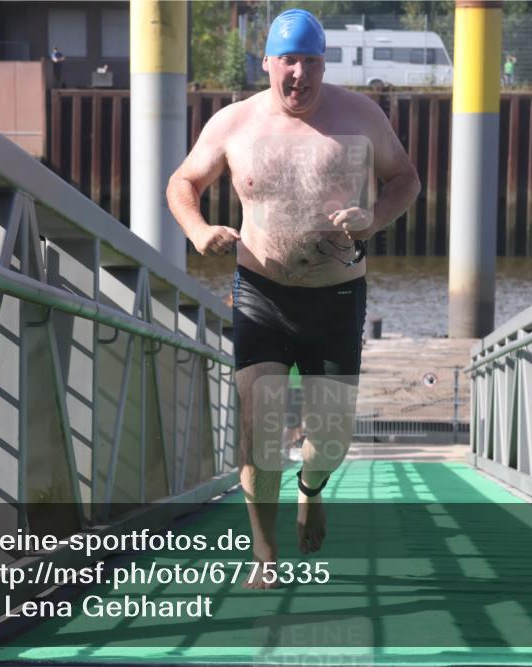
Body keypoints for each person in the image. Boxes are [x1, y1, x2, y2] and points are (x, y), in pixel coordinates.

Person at [166, 8, 419, 589]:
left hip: (336, 298)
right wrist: (199, 231)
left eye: (310, 62)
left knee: (329, 440)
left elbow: (406, 178)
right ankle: (264, 557)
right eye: (288, 61)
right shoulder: (234, 123)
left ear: (323, 63)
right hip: (260, 295)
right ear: (268, 64)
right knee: (258, 431)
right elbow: (183, 183)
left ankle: (312, 488)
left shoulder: (360, 116)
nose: (299, 75)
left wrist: (372, 217)